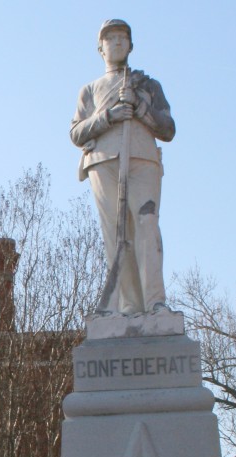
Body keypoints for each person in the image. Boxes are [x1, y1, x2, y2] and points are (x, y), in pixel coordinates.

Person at [71, 19, 175, 316]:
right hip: (103, 162)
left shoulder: (147, 84)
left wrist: (140, 108)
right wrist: (108, 116)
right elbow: (76, 133)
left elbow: (167, 129)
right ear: (100, 47)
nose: (116, 42)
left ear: (130, 45)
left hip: (142, 159)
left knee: (146, 225)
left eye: (122, 37)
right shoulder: (89, 91)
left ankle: (155, 302)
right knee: (116, 234)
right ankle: (129, 307)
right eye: (110, 38)